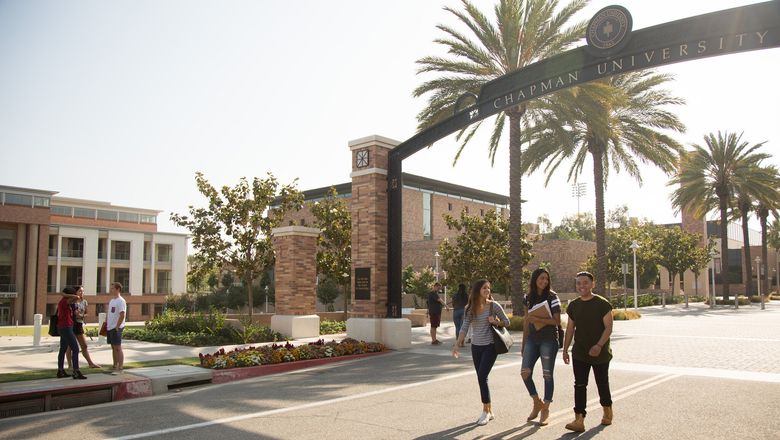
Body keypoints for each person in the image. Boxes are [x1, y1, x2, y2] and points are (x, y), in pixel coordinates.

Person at [452, 279, 510, 426]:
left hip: (490, 346)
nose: (487, 291)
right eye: (484, 288)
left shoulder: (493, 306)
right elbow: (464, 326)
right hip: (476, 347)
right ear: (477, 290)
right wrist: (457, 344)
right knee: (481, 377)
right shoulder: (470, 308)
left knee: (482, 376)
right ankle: (489, 410)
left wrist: (495, 321)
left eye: (488, 288)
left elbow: (506, 322)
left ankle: (485, 411)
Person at [562, 271, 614, 432]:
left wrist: (598, 345)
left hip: (601, 352)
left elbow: (609, 328)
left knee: (602, 383)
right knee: (579, 384)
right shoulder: (574, 305)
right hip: (580, 352)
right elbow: (570, 329)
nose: (581, 286)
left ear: (593, 284)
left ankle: (607, 411)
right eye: (578, 283)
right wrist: (565, 350)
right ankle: (579, 419)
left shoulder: (602, 304)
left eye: (585, 282)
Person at [521, 268, 562, 426]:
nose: (544, 281)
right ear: (535, 278)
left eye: (546, 279)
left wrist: (539, 318)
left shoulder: (552, 296)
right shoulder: (528, 297)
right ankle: (536, 401)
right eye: (541, 278)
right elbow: (527, 320)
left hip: (548, 340)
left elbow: (557, 321)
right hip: (532, 339)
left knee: (547, 375)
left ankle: (546, 408)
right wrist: (524, 343)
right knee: (525, 373)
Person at [66, 285, 101, 369]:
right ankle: (70, 365)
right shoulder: (72, 302)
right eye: (80, 291)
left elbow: (86, 313)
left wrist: (81, 315)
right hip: (71, 325)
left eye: (83, 291)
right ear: (75, 293)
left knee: (84, 346)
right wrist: (74, 314)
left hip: (79, 324)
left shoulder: (84, 302)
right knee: (70, 346)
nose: (82, 293)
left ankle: (90, 363)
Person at [56, 286, 87, 379]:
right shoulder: (65, 301)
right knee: (76, 349)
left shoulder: (63, 302)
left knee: (63, 349)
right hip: (66, 327)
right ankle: (76, 371)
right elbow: (77, 297)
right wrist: (66, 295)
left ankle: (60, 371)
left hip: (63, 327)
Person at [107, 281, 127, 375]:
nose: (111, 290)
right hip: (110, 327)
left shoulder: (121, 301)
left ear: (118, 289)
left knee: (117, 347)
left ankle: (120, 366)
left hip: (116, 328)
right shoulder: (112, 300)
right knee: (113, 347)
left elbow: (122, 315)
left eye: (113, 288)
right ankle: (115, 365)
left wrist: (117, 327)